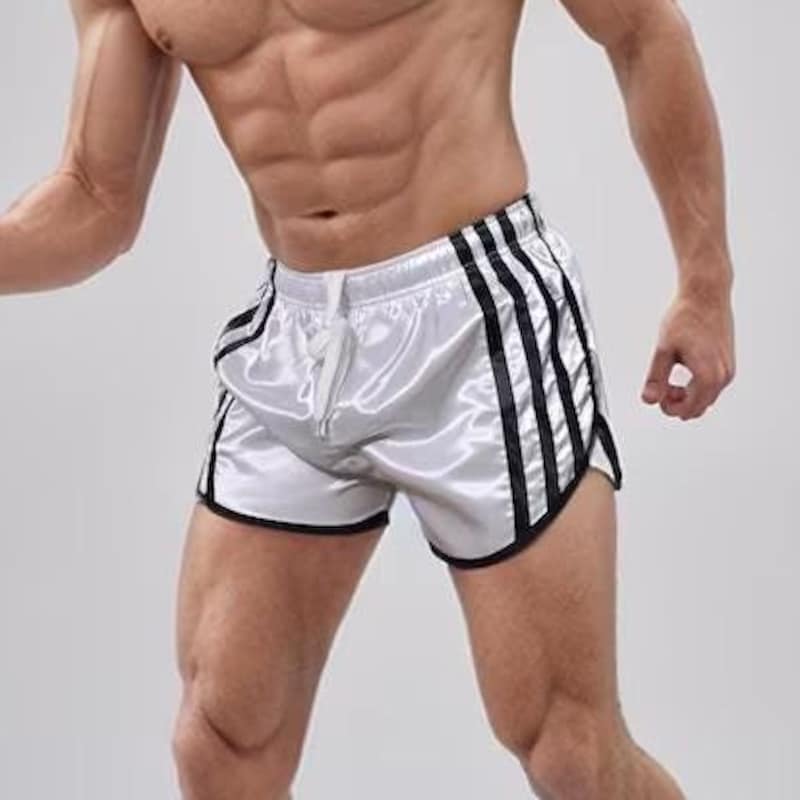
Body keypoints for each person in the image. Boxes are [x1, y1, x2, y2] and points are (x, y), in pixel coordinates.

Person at [0, 0, 735, 797]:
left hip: (477, 317)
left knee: (569, 749)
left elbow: (642, 31)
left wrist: (705, 284)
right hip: (298, 331)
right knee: (220, 740)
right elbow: (95, 198)